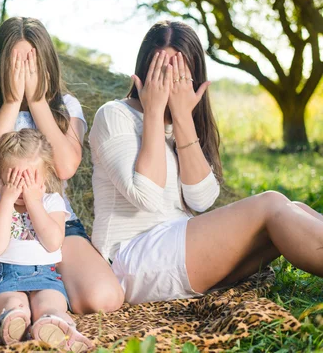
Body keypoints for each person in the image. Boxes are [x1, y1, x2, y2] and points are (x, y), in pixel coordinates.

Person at [89, 20, 323, 304]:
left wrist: (183, 117)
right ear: (144, 73)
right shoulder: (114, 115)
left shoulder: (183, 122)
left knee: (292, 209)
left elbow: (201, 200)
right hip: (130, 260)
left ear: (194, 79)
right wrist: (152, 112)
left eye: (179, 75)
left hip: (174, 248)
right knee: (271, 204)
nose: (169, 82)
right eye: (162, 71)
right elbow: (147, 197)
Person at [0, 17, 124, 314]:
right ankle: (9, 288)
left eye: (30, 62)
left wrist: (37, 102)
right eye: (14, 63)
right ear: (1, 65)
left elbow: (65, 167)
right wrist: (9, 103)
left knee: (103, 299)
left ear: (45, 63)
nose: (22, 71)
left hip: (56, 225)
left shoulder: (65, 106)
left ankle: (39, 288)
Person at [0, 129, 93, 352]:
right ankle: (14, 322)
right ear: (1, 178)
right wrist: (6, 200)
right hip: (7, 277)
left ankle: (61, 328)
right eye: (13, 179)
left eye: (30, 179)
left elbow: (53, 242)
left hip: (46, 275)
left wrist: (34, 203)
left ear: (45, 177)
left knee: (50, 305)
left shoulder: (52, 202)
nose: (21, 187)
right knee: (13, 303)